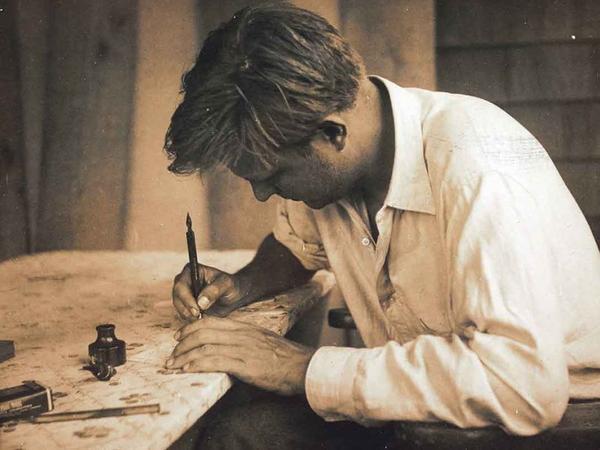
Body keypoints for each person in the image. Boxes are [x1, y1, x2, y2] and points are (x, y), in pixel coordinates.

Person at [163, 2, 600, 449]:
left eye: (273, 176)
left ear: (333, 134)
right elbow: (295, 247)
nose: (261, 194)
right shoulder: (336, 168)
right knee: (235, 438)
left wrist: (299, 368)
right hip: (428, 399)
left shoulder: (478, 169)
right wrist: (244, 283)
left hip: (546, 416)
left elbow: (524, 387)